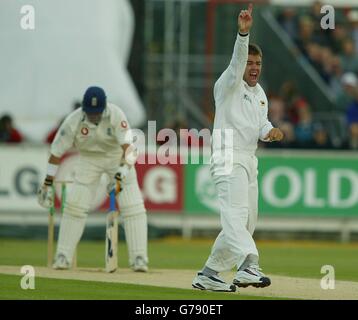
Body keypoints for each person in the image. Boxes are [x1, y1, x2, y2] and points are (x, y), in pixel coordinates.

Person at [192, 4, 283, 292]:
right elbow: (236, 60)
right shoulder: (228, 84)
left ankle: (209, 273)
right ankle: (248, 265)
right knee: (234, 215)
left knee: (245, 221)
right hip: (227, 155)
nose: (254, 68)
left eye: (258, 64)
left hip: (248, 159)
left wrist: (271, 132)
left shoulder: (259, 95)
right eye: (250, 63)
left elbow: (261, 126)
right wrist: (243, 34)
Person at [37, 86, 148, 272]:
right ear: (84, 108)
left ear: (104, 108)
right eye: (90, 113)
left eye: (97, 113)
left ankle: (139, 258)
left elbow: (129, 150)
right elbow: (56, 152)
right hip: (88, 159)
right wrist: (47, 183)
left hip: (116, 159)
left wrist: (120, 174)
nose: (94, 116)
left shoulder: (116, 114)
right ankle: (63, 256)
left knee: (133, 208)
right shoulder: (73, 120)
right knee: (75, 207)